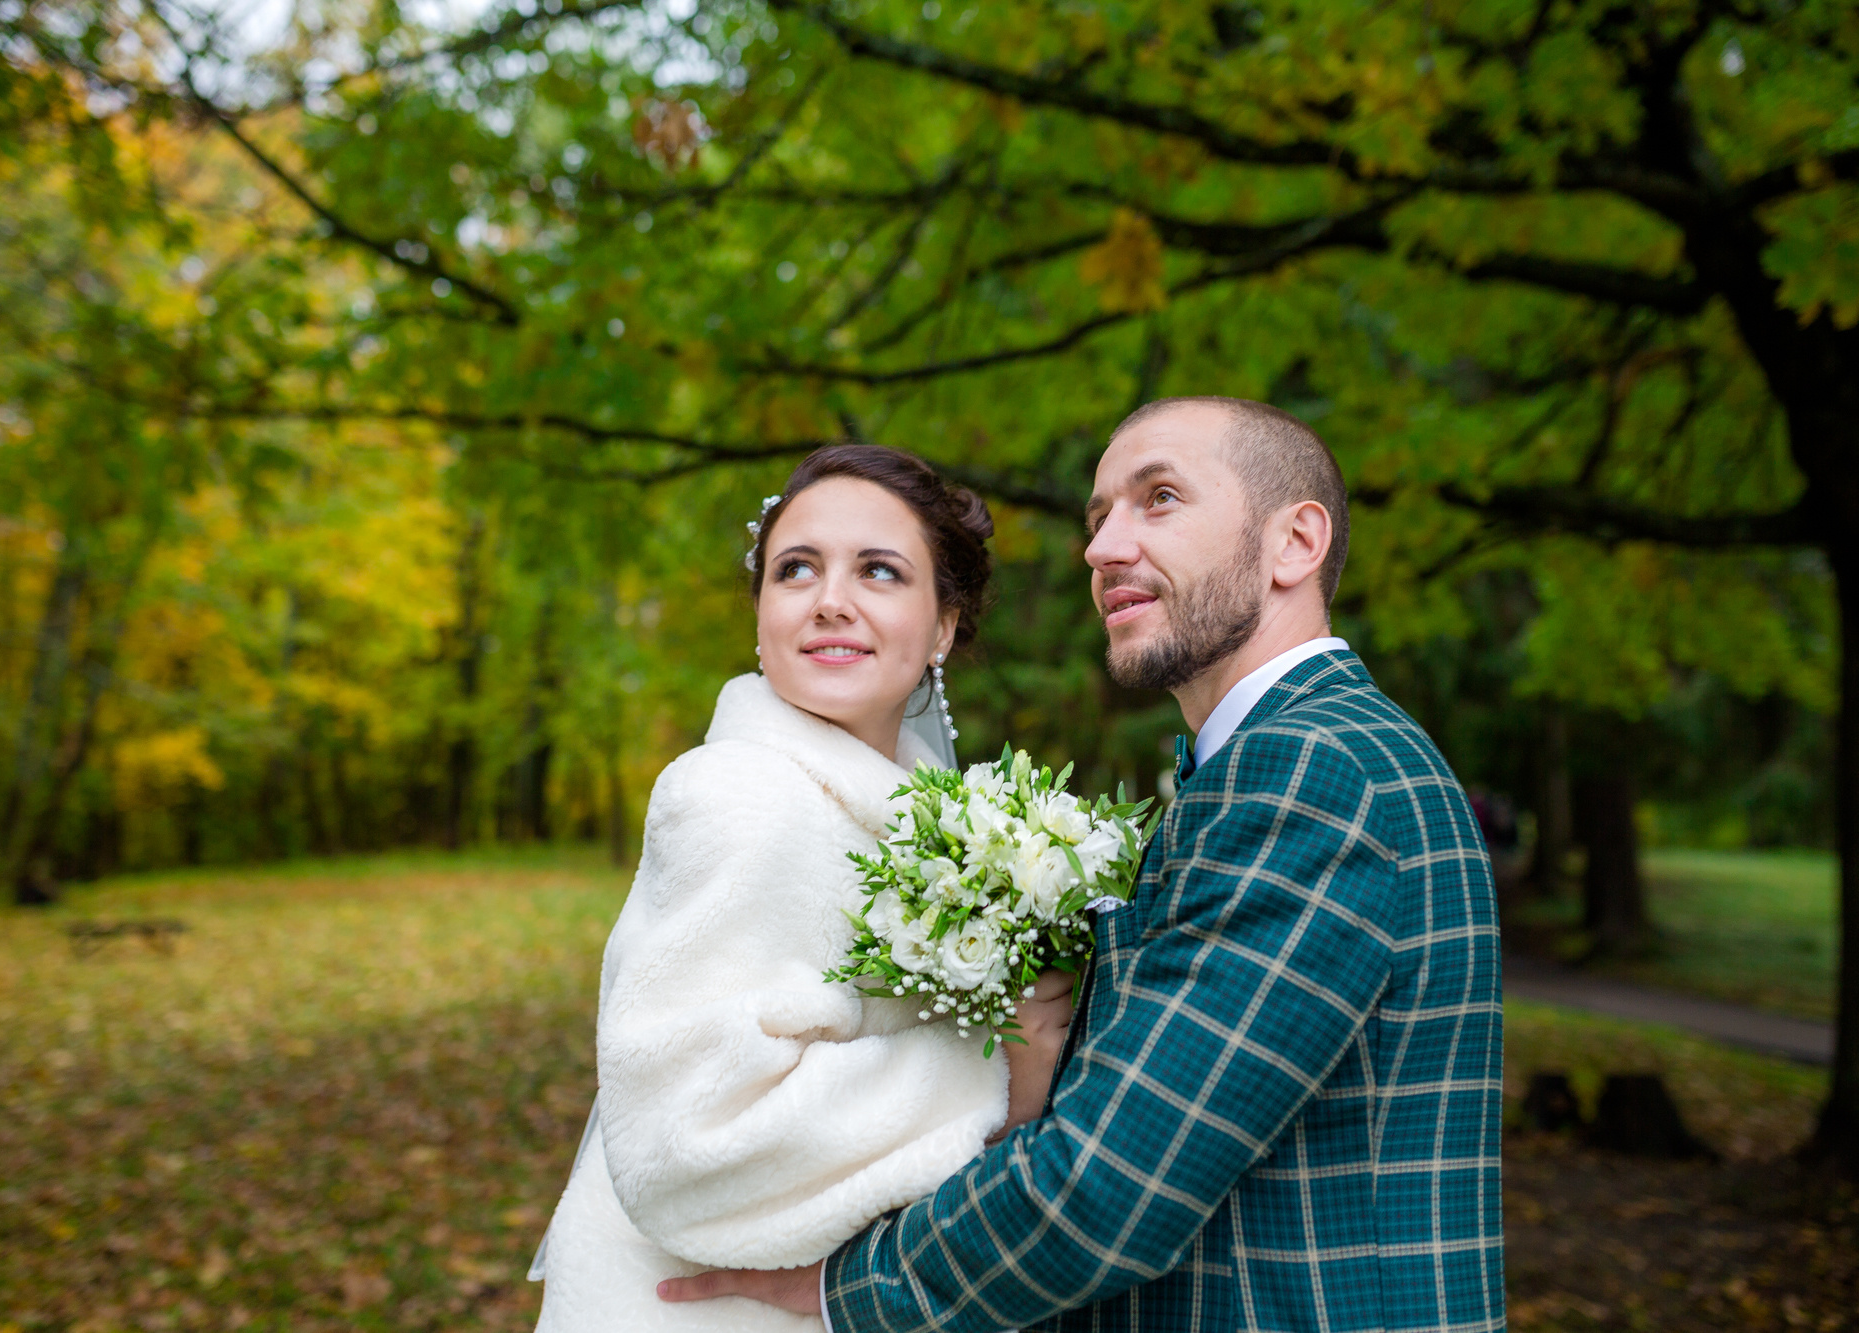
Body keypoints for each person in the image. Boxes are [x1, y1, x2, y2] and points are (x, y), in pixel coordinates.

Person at [660, 397, 1505, 1332]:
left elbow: (1112, 1186)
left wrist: (842, 1291)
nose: (1103, 548)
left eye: (1161, 499)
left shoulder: (1311, 770)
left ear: (1295, 544)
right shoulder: (1273, 762)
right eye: (1099, 518)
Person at [532, 444, 1077, 1332]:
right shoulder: (740, 797)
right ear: (760, 615)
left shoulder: (924, 820)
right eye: (796, 569)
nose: (832, 599)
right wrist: (994, 1073)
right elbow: (685, 1145)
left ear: (943, 625)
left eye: (879, 570)